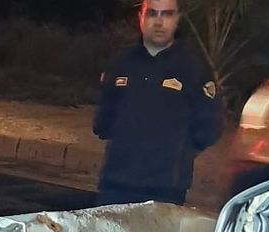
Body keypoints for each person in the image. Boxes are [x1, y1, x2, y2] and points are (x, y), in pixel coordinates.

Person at [93, 0, 222, 205]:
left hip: (164, 190)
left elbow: (208, 129)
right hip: (115, 183)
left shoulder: (193, 68)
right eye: (152, 13)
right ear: (141, 18)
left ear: (177, 19)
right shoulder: (121, 63)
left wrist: (177, 153)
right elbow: (103, 122)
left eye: (167, 14)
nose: (159, 22)